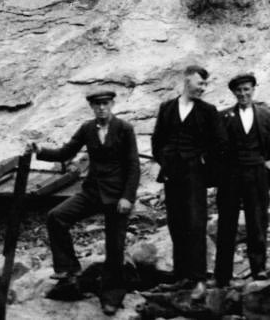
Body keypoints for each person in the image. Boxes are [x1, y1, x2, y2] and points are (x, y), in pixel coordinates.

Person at [30, 90, 140, 317]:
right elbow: (65, 152)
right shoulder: (87, 128)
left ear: (112, 104)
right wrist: (39, 150)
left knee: (115, 248)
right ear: (91, 107)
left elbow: (133, 165)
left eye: (105, 103)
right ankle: (69, 270)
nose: (102, 108)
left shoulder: (124, 128)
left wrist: (127, 197)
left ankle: (112, 297)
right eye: (97, 105)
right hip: (92, 192)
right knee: (56, 216)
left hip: (117, 197)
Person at [213, 72, 270, 286]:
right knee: (226, 223)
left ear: (253, 90)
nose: (243, 94)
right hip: (230, 176)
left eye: (246, 89)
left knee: (257, 221)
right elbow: (212, 147)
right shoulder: (223, 117)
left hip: (258, 174)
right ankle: (222, 275)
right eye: (238, 91)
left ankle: (258, 270)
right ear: (233, 93)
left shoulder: (266, 115)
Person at [150, 64, 225, 297]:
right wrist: (165, 161)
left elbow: (220, 143)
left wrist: (203, 162)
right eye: (200, 83)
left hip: (195, 175)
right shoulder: (167, 108)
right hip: (172, 175)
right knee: (176, 224)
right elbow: (157, 141)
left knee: (195, 224)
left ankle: (199, 279)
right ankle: (180, 277)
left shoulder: (208, 111)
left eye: (205, 84)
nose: (203, 88)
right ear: (187, 80)